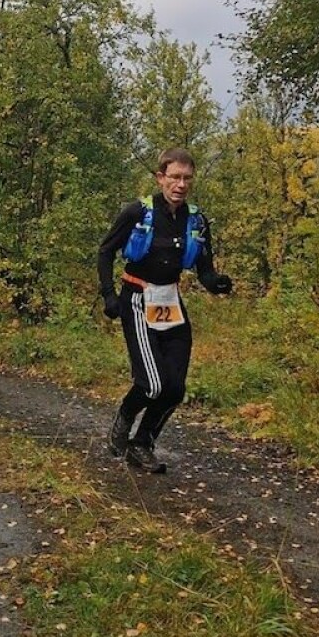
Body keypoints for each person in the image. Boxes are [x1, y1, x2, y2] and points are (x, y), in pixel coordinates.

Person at [97, 147, 232, 474]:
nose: (181, 184)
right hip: (137, 298)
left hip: (170, 301)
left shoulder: (197, 220)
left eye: (187, 178)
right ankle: (124, 418)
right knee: (153, 384)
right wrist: (109, 295)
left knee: (175, 389)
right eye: (174, 177)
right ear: (161, 178)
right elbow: (105, 251)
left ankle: (142, 444)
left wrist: (215, 283)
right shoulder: (136, 212)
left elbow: (204, 269)